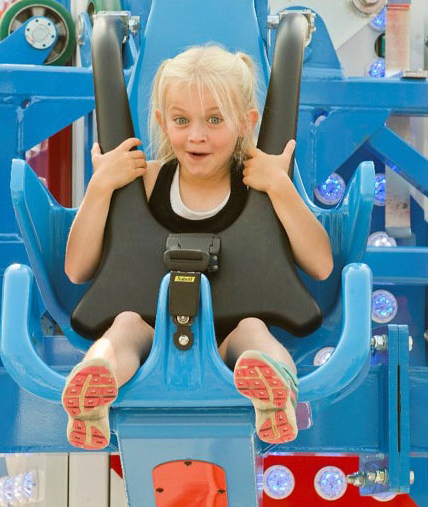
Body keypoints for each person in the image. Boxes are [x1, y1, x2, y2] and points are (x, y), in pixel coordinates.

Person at [63, 44, 333, 450]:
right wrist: (100, 186)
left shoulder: (261, 185)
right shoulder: (145, 182)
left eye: (214, 119)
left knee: (253, 333)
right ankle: (95, 387)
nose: (197, 135)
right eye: (181, 120)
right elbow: (77, 269)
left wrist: (281, 187)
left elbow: (321, 265)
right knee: (124, 328)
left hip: (230, 338)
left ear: (246, 122)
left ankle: (274, 395)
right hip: (151, 335)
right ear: (162, 121)